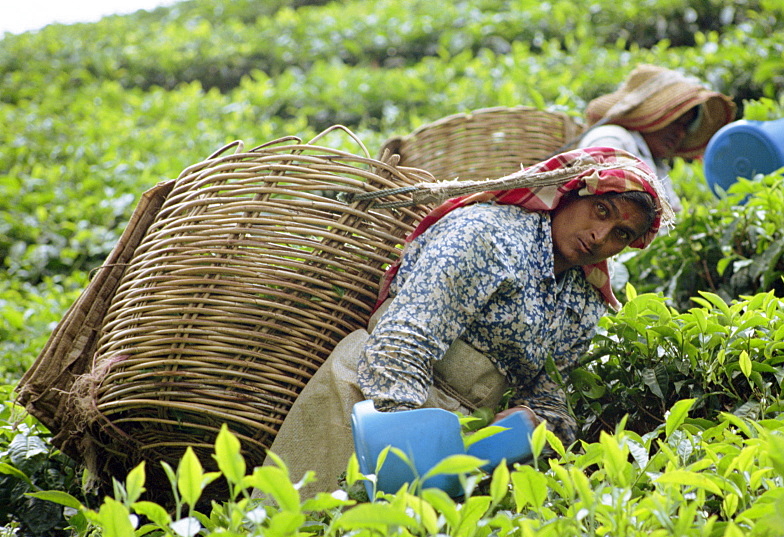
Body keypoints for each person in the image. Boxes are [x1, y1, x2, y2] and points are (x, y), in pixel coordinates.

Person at [265, 147, 674, 499]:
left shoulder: (584, 300)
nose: (600, 235)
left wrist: (535, 423)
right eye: (600, 211)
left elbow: (550, 394)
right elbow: (405, 339)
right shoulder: (486, 235)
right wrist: (407, 442)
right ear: (569, 195)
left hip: (457, 437)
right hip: (370, 401)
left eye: (621, 233)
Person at [576, 64, 737, 213]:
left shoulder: (657, 163)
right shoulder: (612, 140)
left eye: (686, 127)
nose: (680, 134)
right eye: (675, 122)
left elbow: (671, 220)